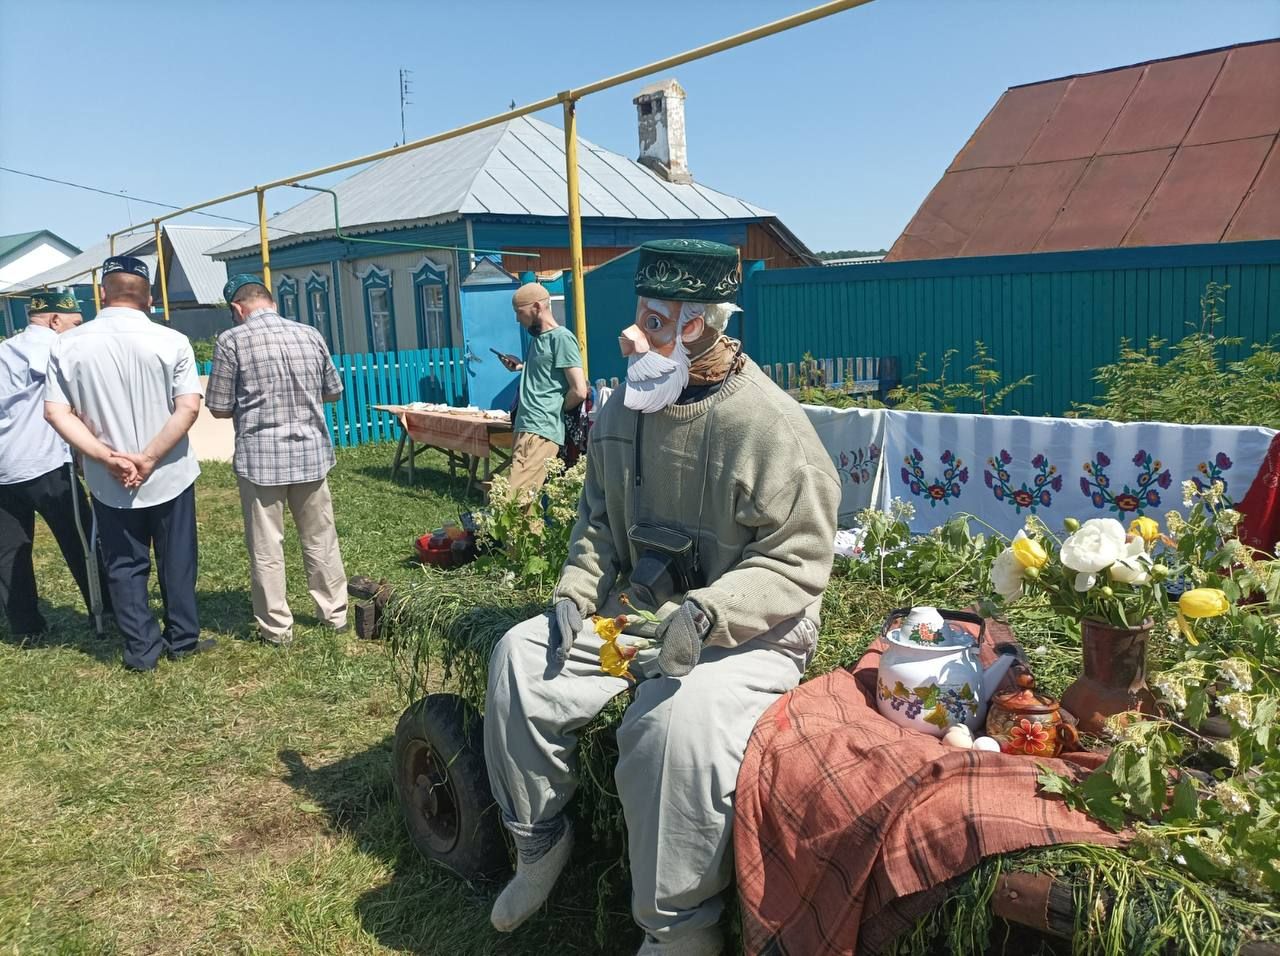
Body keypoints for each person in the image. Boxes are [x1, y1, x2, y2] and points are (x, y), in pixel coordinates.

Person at [484, 239, 840, 955]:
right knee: (520, 660)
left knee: (671, 730)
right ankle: (539, 842)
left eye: (655, 323)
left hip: (748, 631)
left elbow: (800, 557)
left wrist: (711, 612)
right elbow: (595, 520)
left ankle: (679, 930)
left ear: (703, 325)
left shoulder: (768, 426)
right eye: (640, 317)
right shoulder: (625, 409)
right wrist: (577, 590)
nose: (633, 339)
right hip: (640, 612)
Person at [44, 256, 208, 672]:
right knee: (177, 558)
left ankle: (141, 650)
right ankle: (183, 639)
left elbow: (56, 413)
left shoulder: (67, 344)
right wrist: (150, 457)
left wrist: (105, 456)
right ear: (149, 296)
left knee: (123, 563)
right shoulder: (171, 341)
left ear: (103, 293)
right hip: (168, 470)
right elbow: (188, 407)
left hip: (108, 476)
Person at [205, 274, 347, 646]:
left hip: (261, 459)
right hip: (311, 453)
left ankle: (277, 628)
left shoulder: (232, 340)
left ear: (237, 308)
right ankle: (335, 613)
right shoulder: (310, 334)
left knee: (267, 546)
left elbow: (219, 406)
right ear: (270, 301)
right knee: (321, 539)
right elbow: (334, 391)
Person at [0, 289, 112, 640]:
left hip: (5, 466)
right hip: (47, 463)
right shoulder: (55, 348)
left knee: (10, 550)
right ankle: (105, 612)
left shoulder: (4, 350)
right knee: (83, 542)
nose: (77, 330)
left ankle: (25, 627)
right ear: (53, 320)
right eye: (75, 323)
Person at [500, 283, 587, 493]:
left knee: (511, 499)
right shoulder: (539, 339)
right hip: (526, 427)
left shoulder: (562, 338)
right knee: (526, 506)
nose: (517, 319)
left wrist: (554, 408)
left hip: (541, 430)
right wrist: (521, 367)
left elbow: (579, 390)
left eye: (519, 312)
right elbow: (548, 377)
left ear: (537, 307)